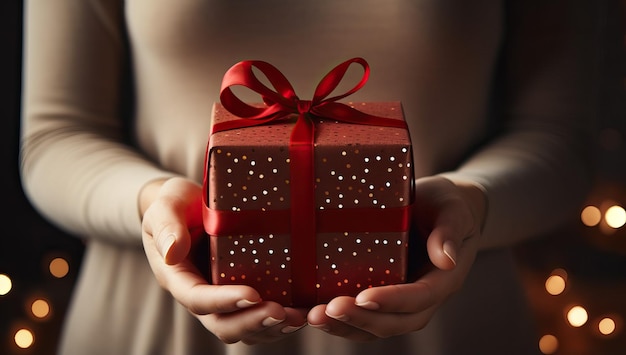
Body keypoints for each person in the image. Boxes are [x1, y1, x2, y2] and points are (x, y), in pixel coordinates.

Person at [19, 0, 601, 354]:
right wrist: (151, 203)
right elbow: (53, 136)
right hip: (148, 331)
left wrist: (474, 201)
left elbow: (562, 138)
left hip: (453, 330)